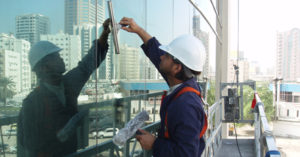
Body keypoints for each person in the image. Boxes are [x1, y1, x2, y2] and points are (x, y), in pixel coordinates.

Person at [17, 19, 111, 157]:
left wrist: (104, 34)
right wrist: (63, 132)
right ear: (44, 67)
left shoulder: (68, 84)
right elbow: (31, 146)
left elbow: (87, 65)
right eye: (56, 57)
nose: (61, 59)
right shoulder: (32, 103)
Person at [119, 17, 207, 157]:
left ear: (177, 67)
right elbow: (156, 52)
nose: (161, 57)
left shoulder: (186, 105)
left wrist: (154, 144)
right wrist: (138, 30)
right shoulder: (182, 82)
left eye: (166, 55)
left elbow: (187, 154)